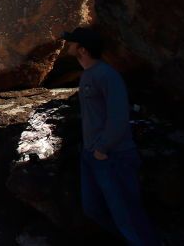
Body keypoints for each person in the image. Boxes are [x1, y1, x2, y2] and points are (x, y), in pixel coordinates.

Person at [62, 27, 159, 246]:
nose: (68, 46)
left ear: (83, 50)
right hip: (92, 155)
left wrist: (102, 148)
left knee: (128, 216)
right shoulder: (88, 74)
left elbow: (119, 117)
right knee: (93, 209)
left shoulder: (106, 75)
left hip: (113, 157)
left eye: (72, 43)